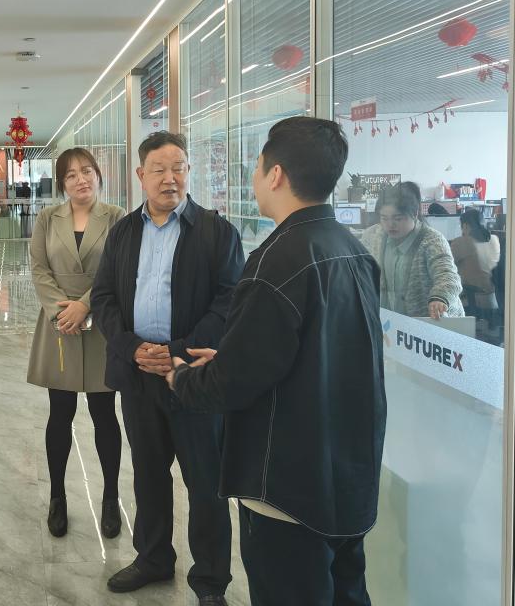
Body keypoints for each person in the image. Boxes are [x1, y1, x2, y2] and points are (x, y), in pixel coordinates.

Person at [166, 116, 387, 606]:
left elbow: (231, 384)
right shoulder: (353, 251)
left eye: (258, 166)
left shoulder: (276, 261)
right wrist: (231, 354)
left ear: (276, 175)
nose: (255, 177)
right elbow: (316, 355)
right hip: (347, 477)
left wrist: (183, 377)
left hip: (287, 489)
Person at [91, 131, 245, 606]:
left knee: (205, 483)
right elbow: (104, 297)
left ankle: (211, 581)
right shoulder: (123, 232)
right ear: (141, 176)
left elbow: (229, 302)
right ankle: (154, 558)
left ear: (189, 172)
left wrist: (176, 351)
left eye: (178, 167)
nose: (169, 178)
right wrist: (132, 347)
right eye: (158, 169)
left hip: (194, 379)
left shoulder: (217, 232)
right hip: (138, 377)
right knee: (148, 473)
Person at [28, 148, 126, 539]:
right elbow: (39, 269)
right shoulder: (47, 218)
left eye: (86, 171)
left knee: (105, 413)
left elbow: (117, 269)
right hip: (60, 326)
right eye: (70, 175)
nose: (80, 180)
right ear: (62, 183)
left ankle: (110, 498)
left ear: (98, 175)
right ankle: (57, 497)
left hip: (102, 321)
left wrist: (84, 305)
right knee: (60, 412)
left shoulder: (116, 217)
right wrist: (61, 312)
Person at [361, 181, 464, 319]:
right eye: (384, 218)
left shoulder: (432, 240)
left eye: (398, 218)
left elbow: (447, 275)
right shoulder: (373, 235)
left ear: (415, 214)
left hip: (432, 321)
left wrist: (439, 298)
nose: (390, 224)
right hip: (391, 321)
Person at [451, 208, 501, 316]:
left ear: (465, 226)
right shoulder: (494, 239)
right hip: (493, 299)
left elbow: (447, 264)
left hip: (472, 300)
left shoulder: (460, 242)